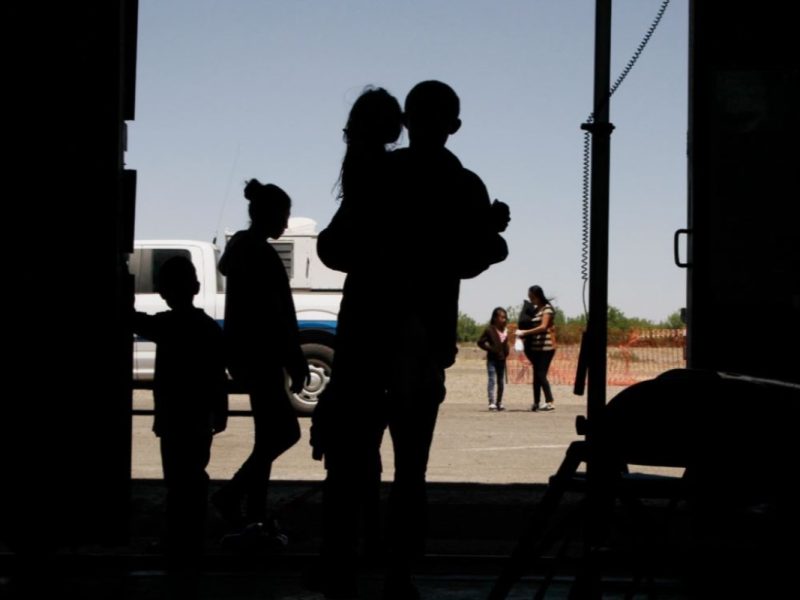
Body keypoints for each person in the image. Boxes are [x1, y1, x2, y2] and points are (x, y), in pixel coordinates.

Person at [314, 81, 509, 600]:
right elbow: (475, 257)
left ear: (407, 118)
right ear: (455, 126)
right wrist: (488, 232)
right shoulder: (464, 184)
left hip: (365, 337)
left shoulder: (379, 173)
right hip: (423, 348)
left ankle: (342, 569)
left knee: (353, 461)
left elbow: (333, 248)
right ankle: (399, 574)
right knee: (410, 469)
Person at [211, 179, 309, 532]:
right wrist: (294, 358)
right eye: (283, 215)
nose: (285, 223)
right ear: (268, 214)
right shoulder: (261, 254)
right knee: (285, 434)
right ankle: (233, 494)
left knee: (268, 435)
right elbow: (277, 314)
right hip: (263, 356)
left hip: (246, 355)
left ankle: (253, 510)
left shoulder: (240, 249)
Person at [132, 255, 228, 570]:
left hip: (172, 420)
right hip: (200, 419)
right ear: (197, 287)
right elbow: (217, 377)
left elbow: (134, 319)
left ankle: (176, 543)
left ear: (162, 291)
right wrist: (221, 412)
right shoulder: (209, 329)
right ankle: (193, 543)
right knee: (195, 478)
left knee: (176, 483)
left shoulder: (166, 325)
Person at [516, 285, 557, 411]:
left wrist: (524, 332)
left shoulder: (547, 309)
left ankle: (550, 401)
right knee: (536, 375)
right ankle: (536, 402)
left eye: (532, 297)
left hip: (546, 348)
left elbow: (543, 327)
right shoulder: (535, 310)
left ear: (538, 296)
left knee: (541, 374)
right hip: (535, 348)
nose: (531, 300)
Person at [477, 307, 510, 411]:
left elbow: (506, 345)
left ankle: (499, 402)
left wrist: (506, 353)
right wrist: (490, 349)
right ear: (495, 318)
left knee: (501, 381)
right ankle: (491, 402)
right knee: (492, 380)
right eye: (502, 317)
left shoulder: (506, 331)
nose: (504, 319)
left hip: (502, 360)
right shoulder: (489, 329)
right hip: (492, 360)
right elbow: (480, 342)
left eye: (505, 317)